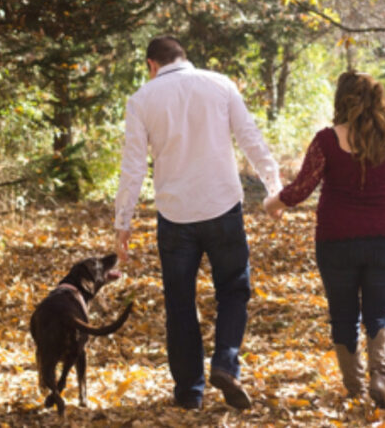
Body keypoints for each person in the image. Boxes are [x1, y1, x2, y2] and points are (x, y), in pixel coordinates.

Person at [113, 36, 282, 410]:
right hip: (222, 207)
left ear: (150, 64)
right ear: (183, 58)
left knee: (179, 303)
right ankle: (225, 362)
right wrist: (275, 186)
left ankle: (190, 392)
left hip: (175, 217)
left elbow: (133, 166)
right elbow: (250, 138)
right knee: (234, 290)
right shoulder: (219, 84)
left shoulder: (142, 100)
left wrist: (122, 221)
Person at [263, 70, 385, 409]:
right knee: (381, 312)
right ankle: (380, 376)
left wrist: (273, 203)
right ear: (377, 99)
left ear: (341, 100)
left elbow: (303, 187)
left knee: (343, 314)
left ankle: (355, 389)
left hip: (337, 240)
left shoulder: (327, 140)